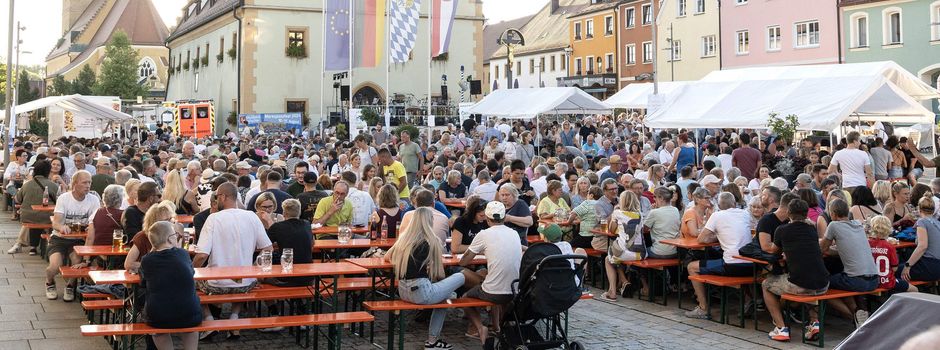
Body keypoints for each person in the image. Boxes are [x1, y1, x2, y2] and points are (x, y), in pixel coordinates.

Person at [192, 183, 273, 340]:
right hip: (246, 284)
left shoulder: (213, 218)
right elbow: (268, 248)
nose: (216, 199)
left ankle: (209, 320)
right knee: (240, 281)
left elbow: (201, 255)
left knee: (191, 284)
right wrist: (255, 267)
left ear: (223, 197)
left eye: (216, 197)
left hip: (216, 284)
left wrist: (189, 271)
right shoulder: (251, 216)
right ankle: (234, 318)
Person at [386, 207, 466, 349]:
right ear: (429, 221)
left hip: (403, 291)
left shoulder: (404, 239)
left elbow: (387, 257)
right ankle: (478, 291)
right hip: (421, 292)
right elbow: (439, 275)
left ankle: (433, 342)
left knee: (443, 300)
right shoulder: (431, 241)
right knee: (461, 275)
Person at [762, 198, 830, 342]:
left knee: (766, 284)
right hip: (823, 283)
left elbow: (773, 250)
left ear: (788, 213)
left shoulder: (782, 230)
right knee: (809, 277)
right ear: (806, 214)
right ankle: (814, 323)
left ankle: (781, 328)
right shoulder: (811, 229)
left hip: (800, 285)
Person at [460, 201, 522, 343]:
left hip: (494, 292)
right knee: (484, 273)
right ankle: (497, 326)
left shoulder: (484, 234)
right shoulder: (514, 233)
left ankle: (480, 328)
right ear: (504, 217)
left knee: (463, 298)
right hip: (515, 290)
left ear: (487, 219)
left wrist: (480, 250)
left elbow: (463, 262)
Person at [685, 193, 754, 319]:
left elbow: (701, 239)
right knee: (732, 267)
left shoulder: (717, 215)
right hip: (751, 264)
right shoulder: (744, 213)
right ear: (734, 203)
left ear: (720, 205)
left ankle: (703, 308)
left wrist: (718, 235)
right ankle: (748, 300)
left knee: (691, 267)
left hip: (731, 266)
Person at [140, 221, 202, 350]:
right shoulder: (183, 254)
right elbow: (191, 273)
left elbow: (143, 283)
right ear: (169, 239)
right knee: (191, 329)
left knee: (158, 331)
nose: (177, 237)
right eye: (175, 235)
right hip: (190, 314)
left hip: (158, 317)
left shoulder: (147, 260)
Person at [820, 198, 879, 327]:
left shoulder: (834, 225)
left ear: (833, 213)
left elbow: (822, 249)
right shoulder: (858, 224)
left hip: (856, 281)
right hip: (874, 280)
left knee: (822, 286)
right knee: (843, 277)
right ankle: (861, 312)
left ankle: (854, 316)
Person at [46, 171, 100, 301]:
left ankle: (70, 286)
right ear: (75, 184)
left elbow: (96, 221)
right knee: (54, 266)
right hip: (59, 239)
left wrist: (91, 225)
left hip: (79, 240)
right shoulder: (64, 198)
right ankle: (49, 282)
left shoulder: (93, 199)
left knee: (77, 262)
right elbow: (56, 223)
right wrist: (61, 227)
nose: (88, 185)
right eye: (85, 182)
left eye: (90, 182)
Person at [9, 160, 58, 256]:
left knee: (34, 218)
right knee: (43, 217)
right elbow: (59, 202)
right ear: (48, 171)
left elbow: (18, 200)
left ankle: (31, 246)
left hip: (27, 217)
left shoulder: (27, 184)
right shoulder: (53, 185)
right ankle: (39, 247)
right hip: (47, 217)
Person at [602, 191, 643, 300]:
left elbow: (611, 230)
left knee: (608, 259)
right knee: (616, 257)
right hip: (640, 253)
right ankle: (623, 282)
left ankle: (612, 291)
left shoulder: (617, 213)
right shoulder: (640, 214)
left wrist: (616, 211)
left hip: (625, 252)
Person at [266, 199, 314, 287]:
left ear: (284, 213)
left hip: (287, 277)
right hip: (308, 276)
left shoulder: (277, 227)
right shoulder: (307, 224)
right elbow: (312, 244)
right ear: (299, 212)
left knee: (261, 276)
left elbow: (265, 245)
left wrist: (268, 220)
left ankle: (271, 300)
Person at [868, 215, 918, 294]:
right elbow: (895, 269)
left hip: (871, 281)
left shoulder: (867, 244)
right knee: (914, 289)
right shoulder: (889, 247)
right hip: (887, 281)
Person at [125, 201, 178, 273]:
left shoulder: (173, 235)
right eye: (166, 220)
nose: (171, 222)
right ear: (154, 222)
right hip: (148, 279)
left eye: (171, 218)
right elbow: (128, 264)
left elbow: (178, 260)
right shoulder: (142, 237)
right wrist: (156, 266)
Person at [897, 197, 940, 283]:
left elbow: (922, 246)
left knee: (895, 270)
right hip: (936, 265)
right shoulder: (937, 222)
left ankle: (903, 293)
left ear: (919, 209)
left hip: (930, 267)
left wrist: (908, 265)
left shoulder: (922, 222)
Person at [643, 187, 680, 259]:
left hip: (659, 251)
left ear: (661, 198)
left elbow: (644, 230)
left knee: (639, 252)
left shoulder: (654, 212)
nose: (653, 199)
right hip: (675, 251)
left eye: (655, 197)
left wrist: (652, 211)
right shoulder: (675, 210)